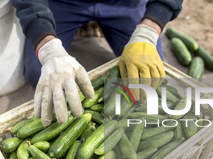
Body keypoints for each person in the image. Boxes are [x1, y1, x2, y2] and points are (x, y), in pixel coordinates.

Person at [11, 0, 183, 126]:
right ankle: (79, 26)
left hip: (124, 4)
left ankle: (94, 25)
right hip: (63, 3)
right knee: (36, 72)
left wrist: (149, 30)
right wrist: (47, 47)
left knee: (148, 74)